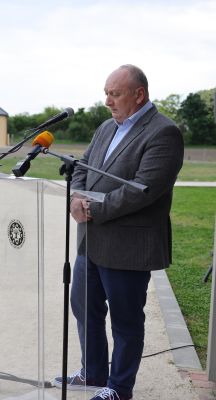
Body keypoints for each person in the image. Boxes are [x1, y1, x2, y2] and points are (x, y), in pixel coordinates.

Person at [54, 65, 184, 400]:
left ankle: (119, 388)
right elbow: (82, 167)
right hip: (91, 241)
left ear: (139, 95)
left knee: (126, 322)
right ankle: (93, 372)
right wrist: (76, 197)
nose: (108, 101)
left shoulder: (164, 132)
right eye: (106, 93)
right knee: (84, 308)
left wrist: (92, 209)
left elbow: (144, 189)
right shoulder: (105, 127)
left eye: (115, 94)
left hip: (129, 245)